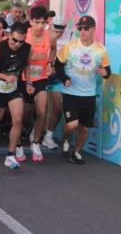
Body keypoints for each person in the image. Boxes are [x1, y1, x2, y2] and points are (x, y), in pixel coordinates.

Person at [55, 15, 111, 164]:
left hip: (89, 94)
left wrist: (103, 73)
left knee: (84, 129)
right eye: (80, 28)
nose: (83, 31)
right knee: (72, 124)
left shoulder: (101, 50)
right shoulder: (70, 46)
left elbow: (107, 72)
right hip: (71, 93)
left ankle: (77, 152)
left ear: (93, 29)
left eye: (86, 28)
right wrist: (65, 79)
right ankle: (65, 140)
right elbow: (58, 65)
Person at [0, 22, 31, 169]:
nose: (17, 44)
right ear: (9, 35)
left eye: (21, 42)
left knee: (17, 119)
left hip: (15, 88)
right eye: (14, 40)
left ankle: (10, 155)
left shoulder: (27, 48)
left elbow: (27, 65)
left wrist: (28, 83)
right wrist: (4, 76)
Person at [19, 6, 58, 162]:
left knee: (42, 111)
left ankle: (35, 143)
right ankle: (18, 144)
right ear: (31, 21)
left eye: (43, 22)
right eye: (37, 22)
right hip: (23, 79)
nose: (41, 26)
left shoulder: (51, 35)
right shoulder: (24, 35)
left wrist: (49, 63)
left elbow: (53, 50)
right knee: (24, 115)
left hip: (40, 78)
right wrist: (26, 80)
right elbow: (20, 58)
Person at [43, 16, 67, 149]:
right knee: (40, 109)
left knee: (58, 108)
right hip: (40, 76)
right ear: (51, 26)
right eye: (56, 30)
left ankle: (48, 136)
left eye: (61, 31)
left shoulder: (70, 36)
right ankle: (34, 132)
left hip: (57, 77)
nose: (58, 34)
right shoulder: (43, 34)